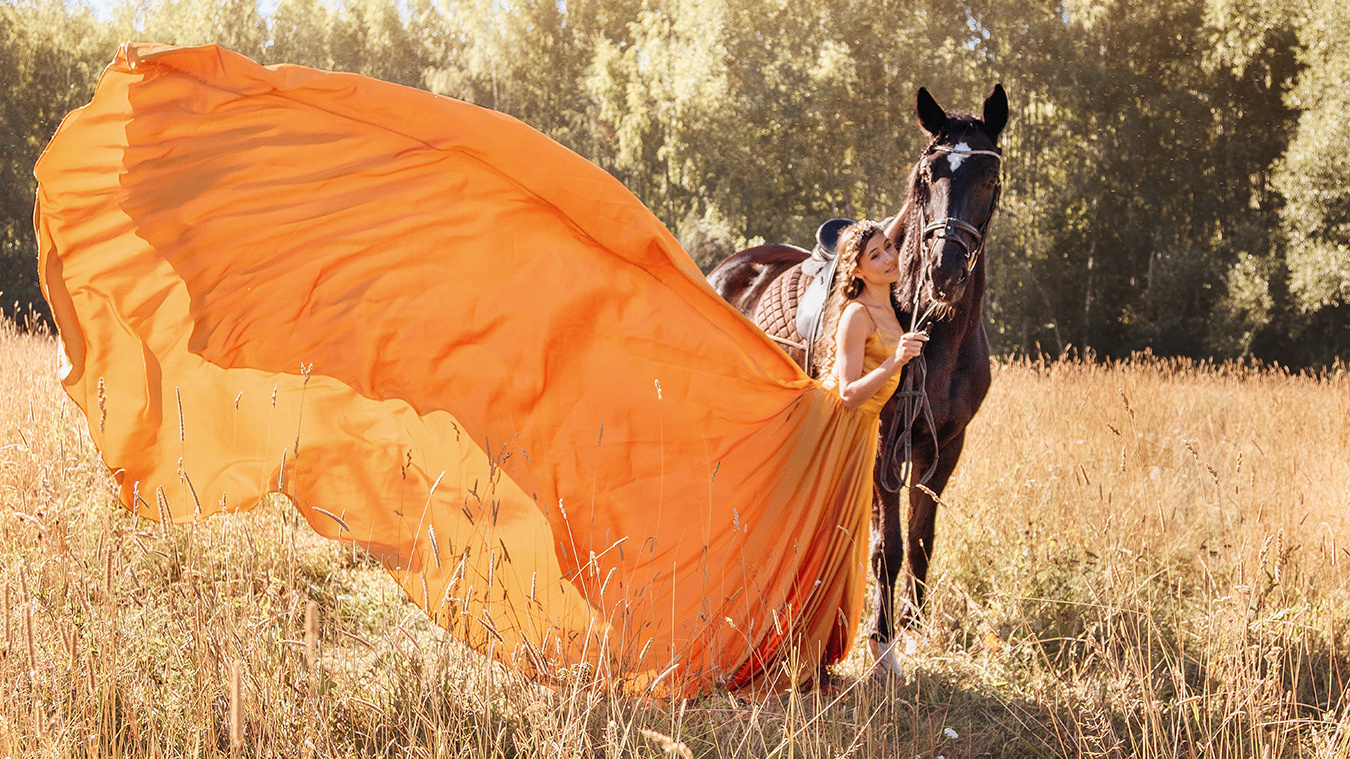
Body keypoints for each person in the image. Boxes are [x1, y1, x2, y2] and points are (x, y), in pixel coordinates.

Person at [35, 42, 916, 698]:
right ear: (859, 268)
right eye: (876, 245)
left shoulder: (888, 302)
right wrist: (898, 361)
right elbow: (846, 388)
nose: (884, 250)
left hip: (831, 433)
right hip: (826, 420)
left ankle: (803, 641)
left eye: (885, 245)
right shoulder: (853, 314)